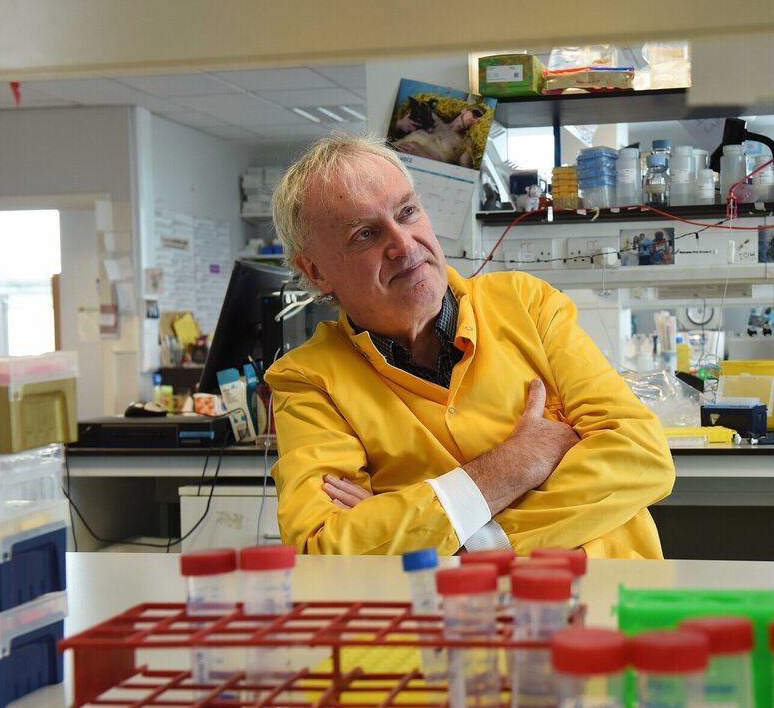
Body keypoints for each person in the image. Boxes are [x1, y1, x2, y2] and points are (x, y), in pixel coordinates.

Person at [265, 133, 672, 558]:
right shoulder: (309, 379)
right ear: (315, 271)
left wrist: (464, 538)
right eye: (365, 234)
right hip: (450, 620)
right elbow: (324, 548)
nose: (404, 244)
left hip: (611, 601)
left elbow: (642, 457)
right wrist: (512, 465)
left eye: (407, 212)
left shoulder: (527, 303)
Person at [391, 103, 486, 168]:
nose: (476, 120)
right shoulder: (431, 115)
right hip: (390, 155)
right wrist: (399, 123)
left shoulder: (466, 143)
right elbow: (386, 127)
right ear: (464, 110)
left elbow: (464, 176)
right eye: (476, 114)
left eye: (479, 120)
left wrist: (425, 157)